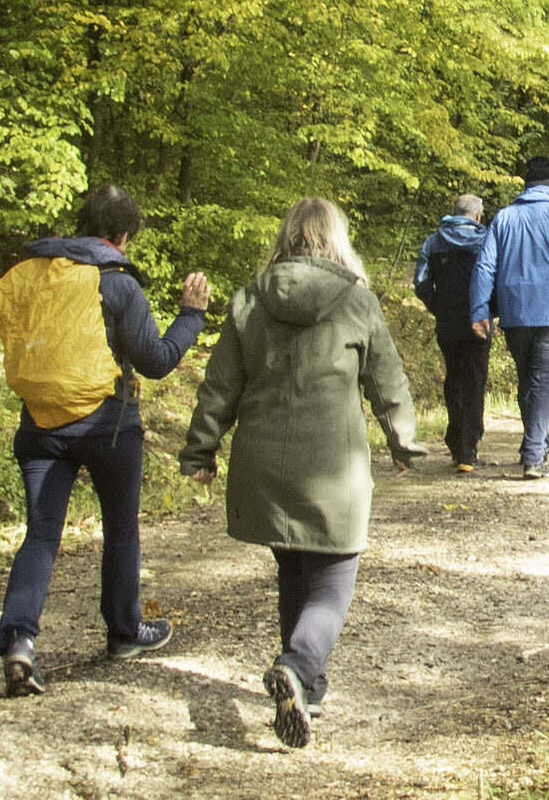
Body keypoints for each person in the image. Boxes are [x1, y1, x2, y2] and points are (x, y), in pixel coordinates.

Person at [181, 198, 424, 749]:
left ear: (285, 238)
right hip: (332, 468)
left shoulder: (249, 300)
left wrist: (200, 451)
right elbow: (388, 383)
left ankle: (308, 690)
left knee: (293, 570)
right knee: (334, 580)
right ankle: (298, 665)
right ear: (338, 239)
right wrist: (404, 442)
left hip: (262, 466)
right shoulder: (357, 301)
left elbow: (219, 387)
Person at [0, 184, 208, 698]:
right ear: (123, 235)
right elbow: (155, 361)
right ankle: (125, 631)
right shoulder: (116, 283)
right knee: (121, 531)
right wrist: (191, 315)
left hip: (41, 422)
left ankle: (20, 640)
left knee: (41, 536)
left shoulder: (35, 270)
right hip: (107, 427)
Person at [466, 155, 549, 479]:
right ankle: (534, 455)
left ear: (525, 188)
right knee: (542, 381)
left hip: (515, 311)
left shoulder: (504, 218)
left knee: (529, 379)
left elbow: (485, 266)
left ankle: (538, 440)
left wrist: (479, 309)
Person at [415, 194, 491, 472]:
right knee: (475, 381)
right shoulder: (486, 241)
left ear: (454, 212)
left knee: (454, 379)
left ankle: (456, 442)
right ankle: (468, 450)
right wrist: (490, 310)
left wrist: (438, 306)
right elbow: (496, 278)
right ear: (478, 215)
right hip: (479, 322)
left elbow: (421, 282)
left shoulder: (434, 242)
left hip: (447, 323)